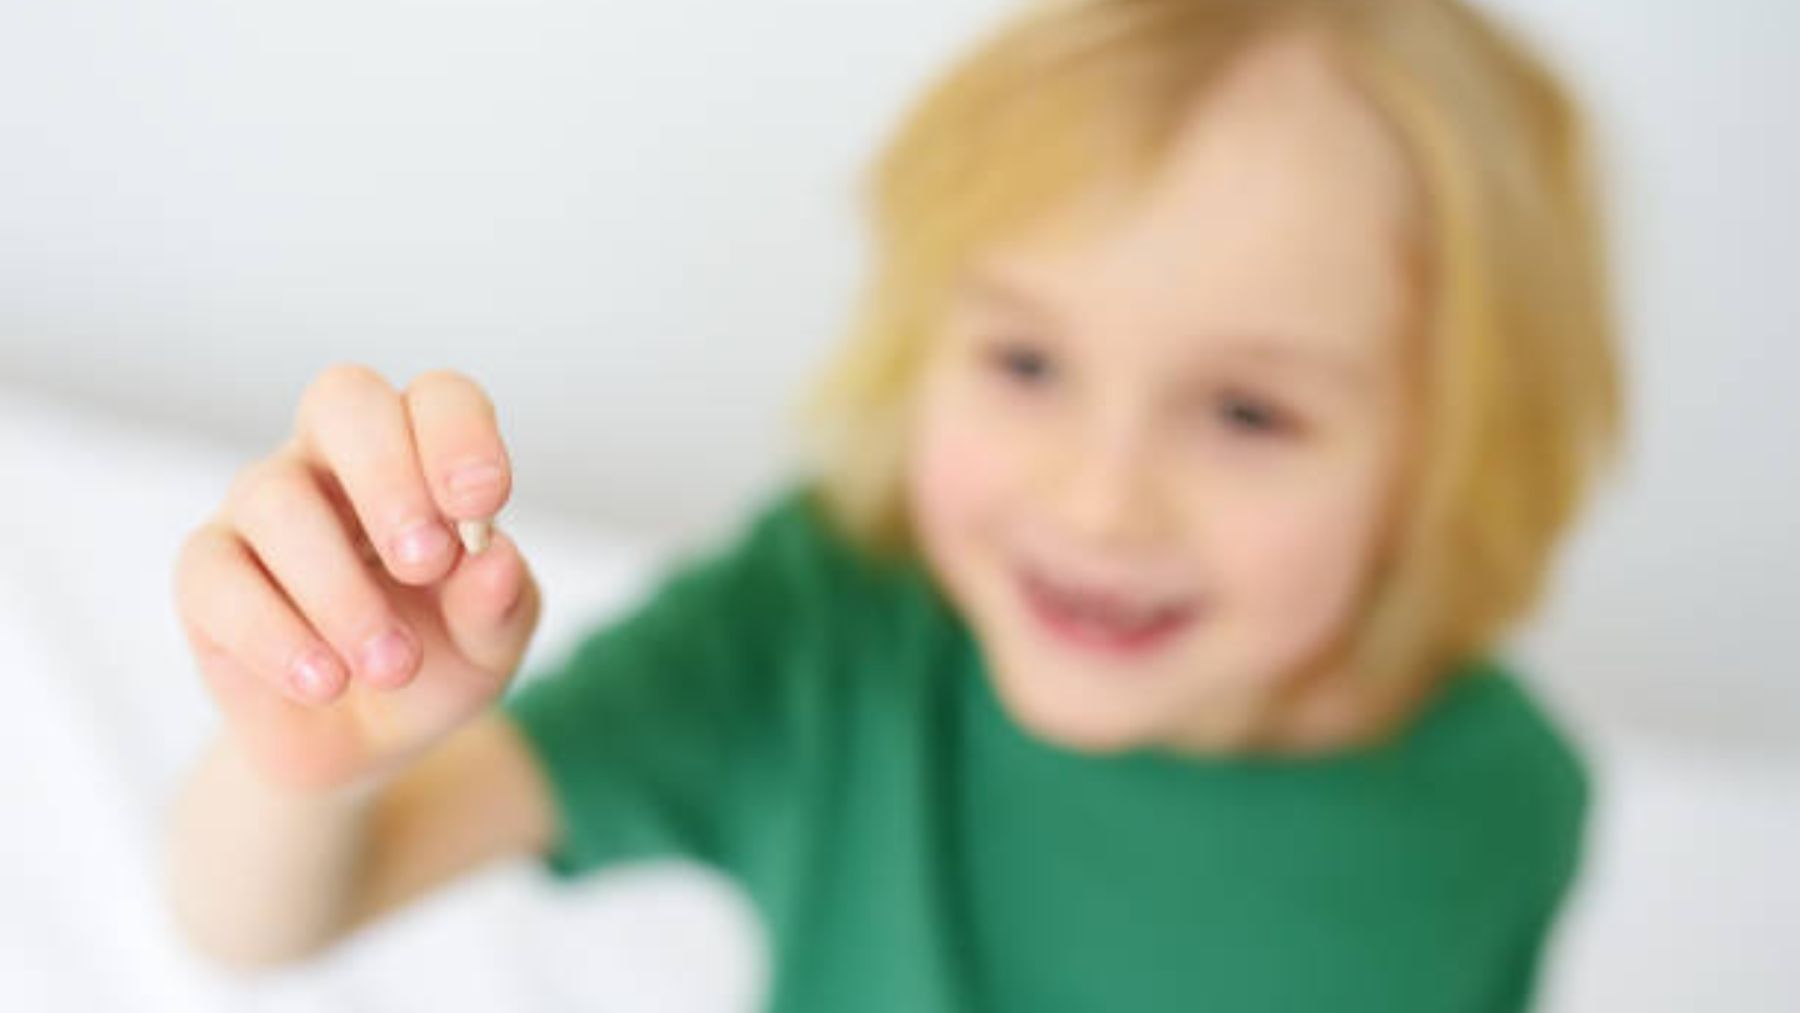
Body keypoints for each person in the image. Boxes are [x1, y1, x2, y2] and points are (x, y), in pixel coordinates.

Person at [166, 1, 1623, 1009]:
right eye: (1026, 359)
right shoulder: (824, 633)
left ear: (1455, 448)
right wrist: (316, 753)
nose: (1102, 501)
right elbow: (266, 921)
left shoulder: (1510, 800)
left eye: (1249, 410)